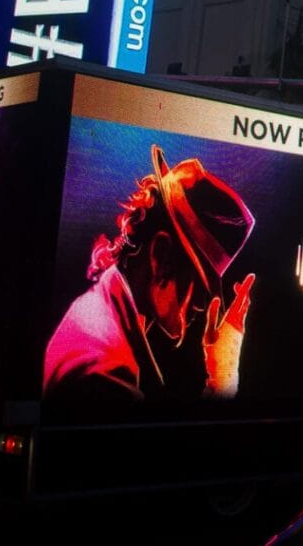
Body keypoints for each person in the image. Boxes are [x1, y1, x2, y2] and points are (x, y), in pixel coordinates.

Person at [44, 146, 256, 401]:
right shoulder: (106, 371)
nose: (201, 306)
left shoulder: (103, 312)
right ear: (161, 256)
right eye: (199, 285)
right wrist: (222, 383)